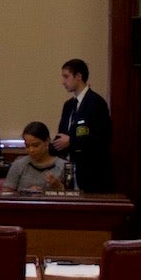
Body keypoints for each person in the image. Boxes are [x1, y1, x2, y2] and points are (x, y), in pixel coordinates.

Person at [52, 59, 114, 194]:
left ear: (79, 76)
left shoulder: (96, 102)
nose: (63, 82)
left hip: (93, 172)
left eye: (66, 76)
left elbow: (103, 137)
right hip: (70, 169)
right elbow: (63, 134)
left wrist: (71, 141)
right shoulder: (69, 105)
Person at [5, 122, 73, 193]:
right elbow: (6, 194)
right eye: (27, 146)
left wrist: (59, 187)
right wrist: (26, 193)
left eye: (35, 145)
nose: (31, 150)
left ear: (47, 141)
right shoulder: (19, 165)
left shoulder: (64, 166)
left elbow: (75, 197)